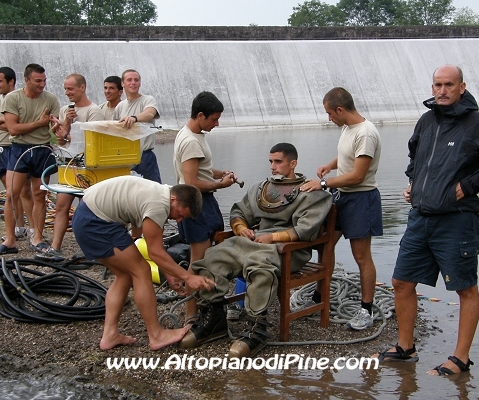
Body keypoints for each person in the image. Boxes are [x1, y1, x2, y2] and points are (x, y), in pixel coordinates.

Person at [373, 65, 479, 375]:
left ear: (462, 87)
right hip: (420, 218)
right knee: (401, 282)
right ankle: (405, 347)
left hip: (457, 221)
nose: (442, 90)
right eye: (438, 84)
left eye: (449, 85)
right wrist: (414, 184)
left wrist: (468, 186)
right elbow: (416, 158)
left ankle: (460, 359)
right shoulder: (426, 121)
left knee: (465, 288)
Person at [179, 143, 332, 357]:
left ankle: (256, 329)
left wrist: (273, 237)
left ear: (293, 163)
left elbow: (305, 229)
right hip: (253, 243)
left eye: (278, 162)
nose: (273, 166)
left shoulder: (310, 192)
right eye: (270, 161)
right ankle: (214, 321)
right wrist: (241, 228)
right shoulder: (261, 189)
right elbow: (239, 211)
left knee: (258, 265)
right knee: (212, 258)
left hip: (287, 250)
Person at [70, 176, 215, 350]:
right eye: (179, 214)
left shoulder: (164, 194)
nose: (178, 220)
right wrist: (187, 277)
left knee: (125, 275)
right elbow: (154, 251)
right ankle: (156, 335)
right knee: (141, 271)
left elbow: (149, 241)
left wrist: (169, 273)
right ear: (174, 199)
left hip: (88, 217)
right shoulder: (159, 205)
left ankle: (110, 335)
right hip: (94, 222)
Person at [300, 87, 383, 331]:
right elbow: (348, 156)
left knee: (361, 256)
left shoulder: (366, 133)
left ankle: (365, 310)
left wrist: (322, 183)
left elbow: (357, 175)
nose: (329, 119)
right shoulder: (348, 128)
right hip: (341, 197)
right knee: (325, 245)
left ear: (340, 110)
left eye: (329, 114)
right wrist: (330, 165)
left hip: (361, 199)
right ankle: (319, 296)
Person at [172, 91, 238, 323]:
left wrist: (221, 173)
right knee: (198, 261)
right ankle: (192, 314)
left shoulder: (192, 134)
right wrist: (221, 184)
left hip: (201, 202)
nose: (217, 124)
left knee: (205, 258)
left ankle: (205, 305)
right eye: (213, 119)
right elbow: (191, 183)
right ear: (200, 115)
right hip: (195, 203)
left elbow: (200, 168)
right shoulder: (190, 141)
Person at [0, 63, 60, 256]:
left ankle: (37, 238)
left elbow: (55, 129)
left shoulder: (51, 99)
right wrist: (39, 123)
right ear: (26, 80)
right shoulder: (13, 98)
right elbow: (13, 129)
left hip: (42, 149)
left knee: (40, 195)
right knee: (12, 194)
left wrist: (59, 127)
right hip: (19, 149)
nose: (42, 84)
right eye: (38, 81)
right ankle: (10, 240)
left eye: (44, 80)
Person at [40, 73, 104, 262]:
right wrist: (66, 123)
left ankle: (87, 250)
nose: (67, 93)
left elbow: (91, 143)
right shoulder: (64, 110)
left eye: (71, 89)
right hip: (68, 166)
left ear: (82, 88)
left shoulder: (94, 111)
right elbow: (61, 139)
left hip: (88, 168)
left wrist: (68, 133)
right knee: (61, 205)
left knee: (87, 208)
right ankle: (55, 248)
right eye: (65, 89)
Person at [0, 67, 34, 242]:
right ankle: (19, 228)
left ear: (11, 82)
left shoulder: (19, 99)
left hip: (16, 147)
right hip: (1, 148)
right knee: (11, 192)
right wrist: (3, 120)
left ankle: (33, 230)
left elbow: (15, 126)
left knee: (24, 191)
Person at [113, 69, 161, 183]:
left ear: (140, 83)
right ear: (122, 83)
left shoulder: (148, 100)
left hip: (145, 157)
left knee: (154, 191)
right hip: (125, 157)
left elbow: (150, 113)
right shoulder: (120, 106)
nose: (133, 83)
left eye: (136, 80)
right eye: (129, 80)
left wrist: (134, 118)